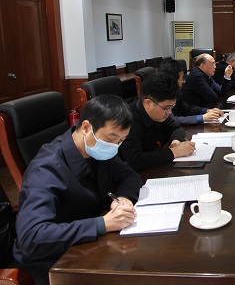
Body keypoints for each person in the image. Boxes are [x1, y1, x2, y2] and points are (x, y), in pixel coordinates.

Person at [13, 94, 141, 285]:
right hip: (53, 262)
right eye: (112, 138)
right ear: (87, 127)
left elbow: (129, 175)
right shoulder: (46, 168)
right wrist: (102, 224)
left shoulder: (98, 148)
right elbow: (32, 237)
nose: (114, 146)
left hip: (92, 247)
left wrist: (123, 198)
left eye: (121, 140)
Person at [119, 72, 195, 172]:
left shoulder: (159, 113)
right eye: (166, 108)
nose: (169, 112)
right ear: (148, 103)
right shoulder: (129, 120)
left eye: (172, 107)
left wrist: (176, 141)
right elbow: (135, 161)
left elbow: (176, 127)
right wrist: (173, 152)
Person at [158, 59, 223, 125]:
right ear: (173, 80)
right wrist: (202, 118)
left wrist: (207, 110)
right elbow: (170, 120)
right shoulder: (159, 94)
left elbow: (186, 109)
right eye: (182, 78)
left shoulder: (175, 91)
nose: (184, 81)